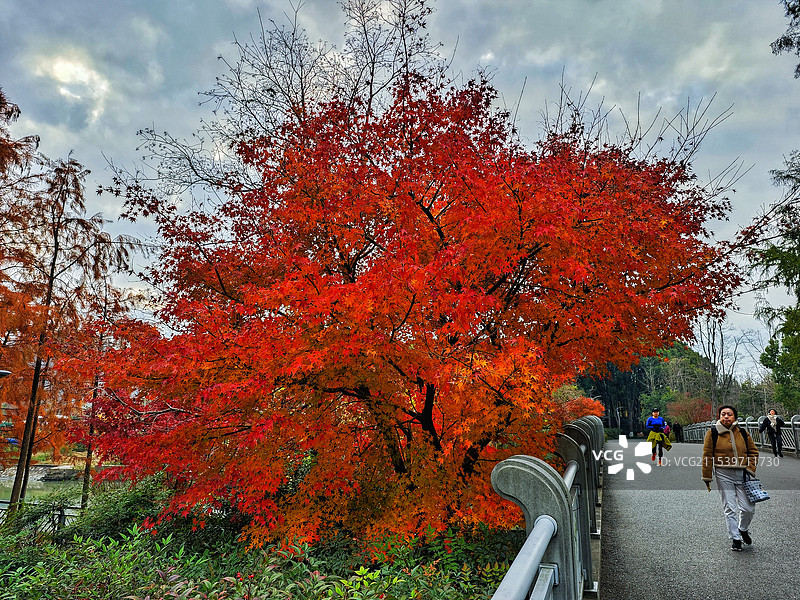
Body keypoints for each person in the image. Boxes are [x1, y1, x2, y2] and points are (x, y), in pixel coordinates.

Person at [701, 405, 759, 552]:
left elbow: (753, 452)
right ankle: (735, 539)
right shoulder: (713, 433)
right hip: (723, 473)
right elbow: (707, 456)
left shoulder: (743, 433)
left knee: (748, 508)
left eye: (729, 414)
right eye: (723, 414)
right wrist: (707, 476)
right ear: (719, 417)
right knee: (730, 507)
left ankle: (742, 529)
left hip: (743, 475)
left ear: (735, 417)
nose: (726, 417)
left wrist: (750, 468)